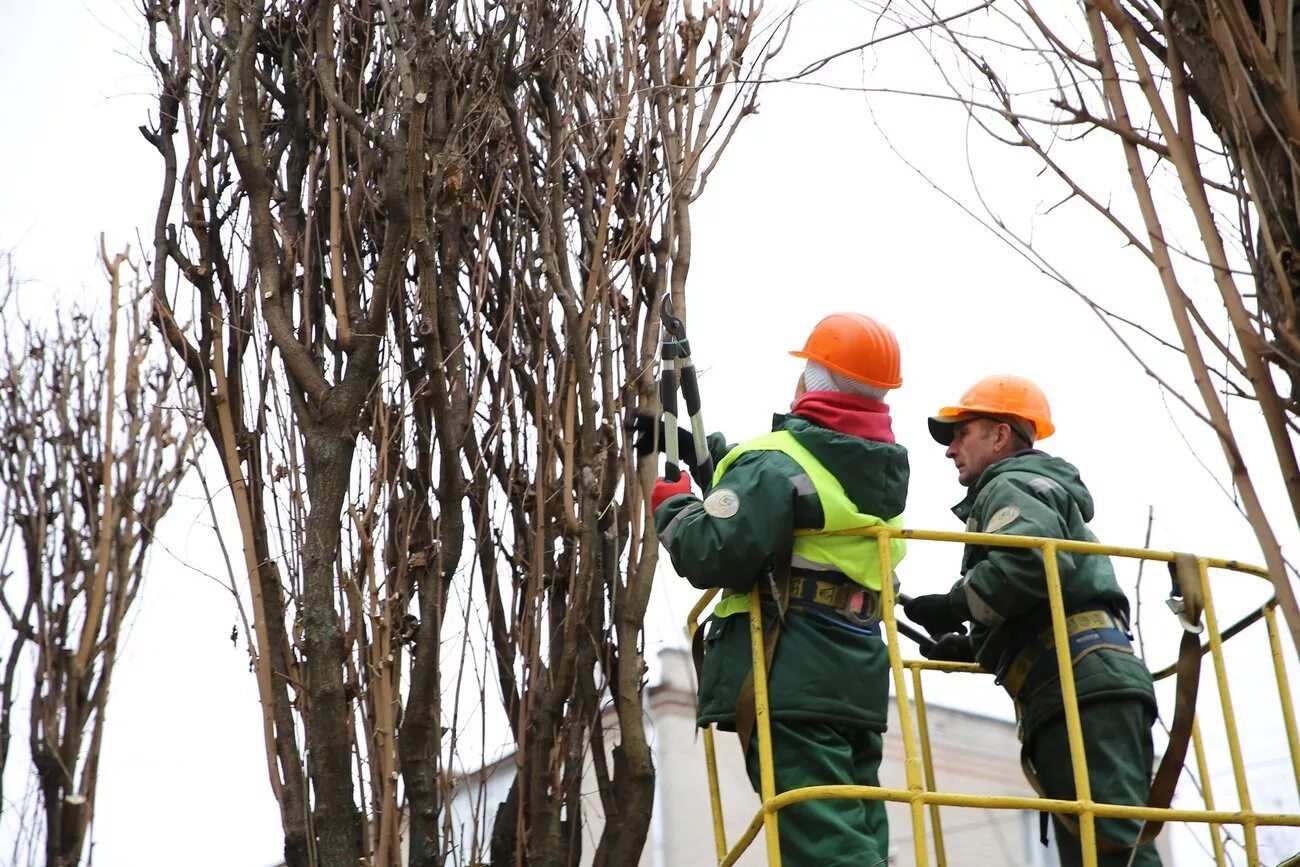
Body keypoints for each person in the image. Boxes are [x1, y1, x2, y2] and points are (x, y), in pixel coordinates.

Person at [638, 312, 909, 867]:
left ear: (809, 381)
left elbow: (714, 549)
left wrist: (673, 506)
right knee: (857, 828)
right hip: (853, 679)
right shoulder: (875, 473)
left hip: (791, 672)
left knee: (823, 844)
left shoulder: (777, 461)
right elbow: (782, 506)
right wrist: (705, 451)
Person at [903, 374, 1161, 867]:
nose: (950, 448)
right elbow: (1042, 593)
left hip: (1078, 682)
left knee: (1109, 848)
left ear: (1000, 436)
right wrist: (981, 648)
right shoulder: (1026, 488)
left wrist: (954, 605)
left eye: (961, 433)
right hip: (1078, 679)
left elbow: (1030, 567)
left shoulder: (1010, 483)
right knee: (1101, 846)